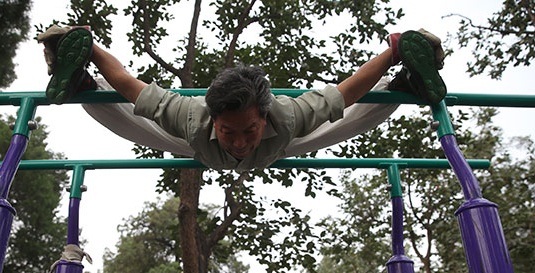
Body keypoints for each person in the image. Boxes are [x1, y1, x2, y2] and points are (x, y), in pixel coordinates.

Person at [36, 26, 446, 171]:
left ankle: (406, 79)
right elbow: (129, 84)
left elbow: (346, 91)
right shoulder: (189, 118)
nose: (237, 140)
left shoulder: (287, 117)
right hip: (193, 147)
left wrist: (393, 51)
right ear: (213, 120)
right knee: (131, 122)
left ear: (263, 119)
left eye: (248, 129)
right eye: (229, 130)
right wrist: (90, 48)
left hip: (283, 146)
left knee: (343, 122)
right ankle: (80, 80)